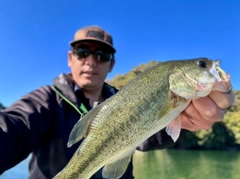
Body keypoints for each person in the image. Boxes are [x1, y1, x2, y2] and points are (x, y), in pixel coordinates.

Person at [0, 25, 235, 179]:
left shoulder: (123, 97)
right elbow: (12, 127)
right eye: (83, 51)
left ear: (111, 64)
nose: (91, 61)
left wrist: (188, 123)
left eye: (102, 55)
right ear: (70, 58)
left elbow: (153, 134)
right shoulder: (44, 101)